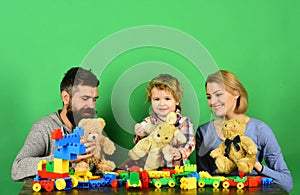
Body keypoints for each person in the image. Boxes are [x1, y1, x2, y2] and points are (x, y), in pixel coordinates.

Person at [195, 70, 293, 193]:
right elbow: (202, 184)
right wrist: (222, 170)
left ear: (236, 93)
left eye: (218, 94)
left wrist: (256, 166)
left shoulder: (260, 130)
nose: (212, 102)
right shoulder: (204, 132)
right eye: (209, 97)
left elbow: (287, 183)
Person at [11, 67, 100, 181]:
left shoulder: (92, 130)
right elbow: (17, 169)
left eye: (94, 99)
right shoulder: (44, 127)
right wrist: (63, 158)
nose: (92, 106)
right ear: (66, 97)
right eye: (85, 98)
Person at [133, 74, 195, 168]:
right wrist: (140, 135)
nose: (161, 103)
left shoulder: (183, 122)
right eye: (156, 99)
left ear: (177, 100)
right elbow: (141, 146)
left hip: (176, 169)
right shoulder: (148, 122)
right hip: (152, 171)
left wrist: (180, 153)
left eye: (167, 99)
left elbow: (190, 143)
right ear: (151, 100)